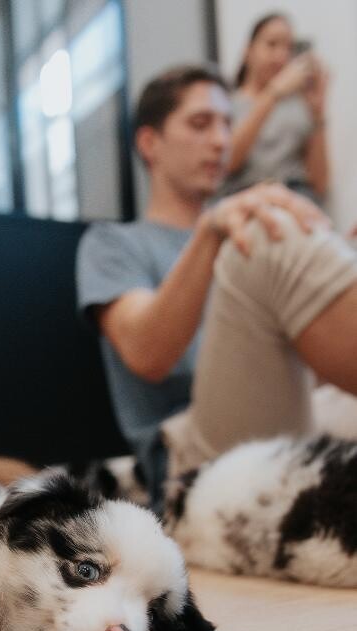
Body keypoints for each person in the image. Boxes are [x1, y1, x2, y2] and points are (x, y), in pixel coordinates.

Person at [76, 64, 357, 512]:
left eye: (227, 123)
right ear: (150, 143)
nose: (221, 140)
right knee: (266, 234)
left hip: (282, 416)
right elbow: (147, 353)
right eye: (200, 123)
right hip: (185, 460)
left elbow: (318, 374)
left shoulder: (239, 227)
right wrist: (211, 233)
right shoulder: (112, 243)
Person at [222, 13, 329, 200]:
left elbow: (320, 183)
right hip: (248, 199)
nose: (281, 56)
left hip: (298, 197)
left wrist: (317, 113)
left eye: (288, 48)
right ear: (248, 50)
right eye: (272, 44)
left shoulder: (300, 106)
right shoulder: (227, 104)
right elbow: (228, 162)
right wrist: (273, 93)